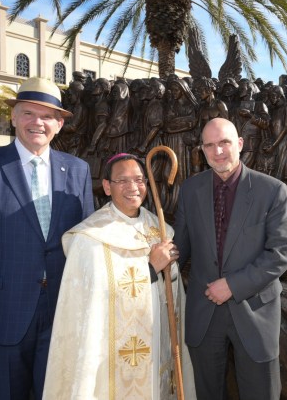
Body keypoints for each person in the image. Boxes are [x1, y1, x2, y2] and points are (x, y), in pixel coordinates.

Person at [0, 77, 95, 400]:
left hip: (61, 315)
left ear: (59, 124)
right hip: (3, 317)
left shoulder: (79, 170)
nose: (37, 122)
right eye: (28, 113)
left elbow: (86, 246)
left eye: (47, 116)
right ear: (13, 117)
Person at [43, 153, 196, 399]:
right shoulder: (90, 237)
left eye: (139, 180)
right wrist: (150, 268)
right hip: (111, 355)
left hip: (159, 344)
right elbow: (95, 302)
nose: (133, 187)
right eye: (122, 180)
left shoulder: (158, 228)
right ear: (106, 186)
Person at [173, 118, 287, 399]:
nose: (218, 152)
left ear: (240, 144)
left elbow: (280, 254)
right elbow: (181, 248)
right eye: (210, 145)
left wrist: (232, 285)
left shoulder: (272, 191)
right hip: (204, 313)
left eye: (224, 143)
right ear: (202, 151)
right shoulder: (191, 190)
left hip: (255, 312)